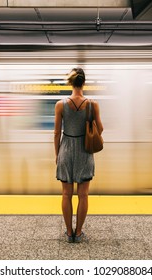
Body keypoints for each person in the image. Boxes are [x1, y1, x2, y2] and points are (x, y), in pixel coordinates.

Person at [54, 67, 103, 243]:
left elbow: (56, 133)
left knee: (66, 194)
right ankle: (79, 232)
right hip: (84, 151)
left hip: (66, 149)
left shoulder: (60, 104)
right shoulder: (93, 104)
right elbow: (101, 129)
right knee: (83, 195)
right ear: (84, 82)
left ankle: (69, 233)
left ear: (70, 82)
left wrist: (57, 154)